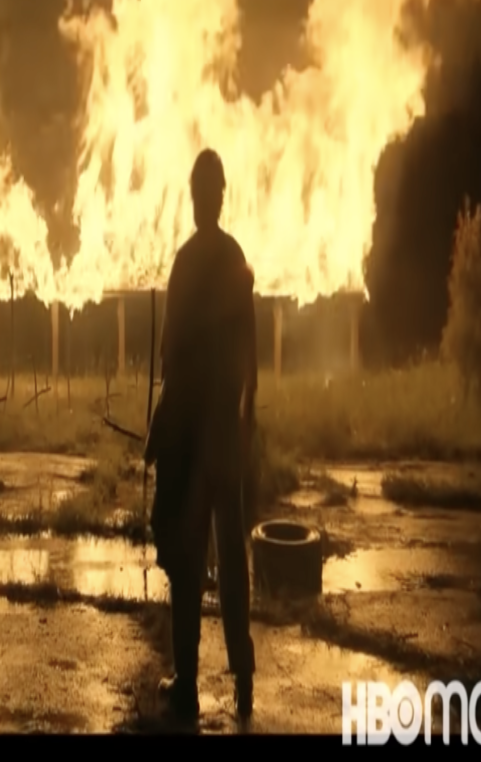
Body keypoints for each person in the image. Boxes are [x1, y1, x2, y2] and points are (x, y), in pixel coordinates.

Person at [147, 148, 257, 724]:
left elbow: (170, 356)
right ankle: (243, 675)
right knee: (232, 556)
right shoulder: (236, 257)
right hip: (225, 435)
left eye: (196, 193)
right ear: (223, 196)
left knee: (188, 558)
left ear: (198, 198)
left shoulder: (187, 261)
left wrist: (162, 432)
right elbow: (251, 355)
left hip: (194, 435)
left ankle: (187, 681)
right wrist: (245, 421)